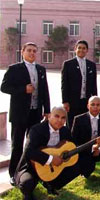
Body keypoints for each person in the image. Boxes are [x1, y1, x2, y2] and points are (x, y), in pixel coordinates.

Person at [1, 42, 50, 186]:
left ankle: (31, 171)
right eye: (29, 50)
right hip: (19, 113)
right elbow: (3, 87)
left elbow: (44, 91)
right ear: (22, 52)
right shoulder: (14, 68)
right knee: (17, 144)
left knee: (33, 143)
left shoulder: (41, 69)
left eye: (35, 51)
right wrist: (23, 89)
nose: (32, 53)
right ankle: (13, 173)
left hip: (36, 113)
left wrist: (46, 110)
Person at [14, 107, 80, 200]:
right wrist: (51, 159)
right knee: (26, 184)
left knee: (77, 167)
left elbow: (73, 145)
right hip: (31, 167)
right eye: (56, 116)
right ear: (49, 116)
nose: (60, 120)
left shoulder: (65, 131)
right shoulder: (36, 129)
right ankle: (29, 193)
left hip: (51, 169)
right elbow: (29, 151)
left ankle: (51, 184)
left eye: (63, 118)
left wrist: (96, 146)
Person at [71, 96, 100, 185]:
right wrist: (92, 148)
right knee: (87, 171)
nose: (95, 107)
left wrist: (99, 148)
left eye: (98, 105)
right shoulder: (78, 119)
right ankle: (86, 170)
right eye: (92, 105)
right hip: (86, 150)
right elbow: (74, 141)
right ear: (88, 106)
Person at [61, 40, 97, 127]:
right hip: (72, 101)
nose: (81, 50)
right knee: (72, 124)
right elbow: (64, 84)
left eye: (84, 48)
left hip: (86, 100)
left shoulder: (91, 65)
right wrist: (65, 101)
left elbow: (94, 84)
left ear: (87, 50)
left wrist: (95, 100)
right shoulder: (68, 64)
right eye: (79, 48)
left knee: (85, 124)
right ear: (75, 49)